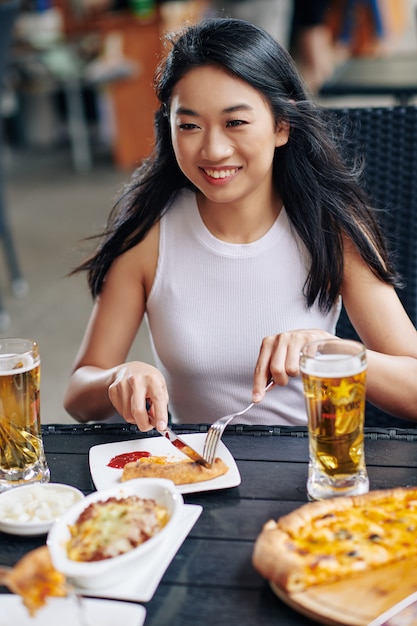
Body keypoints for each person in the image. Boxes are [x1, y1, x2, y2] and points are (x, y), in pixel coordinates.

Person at [63, 18, 417, 432]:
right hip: (193, 477)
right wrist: (116, 379)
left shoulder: (330, 227)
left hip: (310, 471)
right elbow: (78, 394)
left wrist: (332, 352)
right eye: (189, 125)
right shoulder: (148, 233)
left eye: (235, 123)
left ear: (281, 126)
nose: (213, 149)